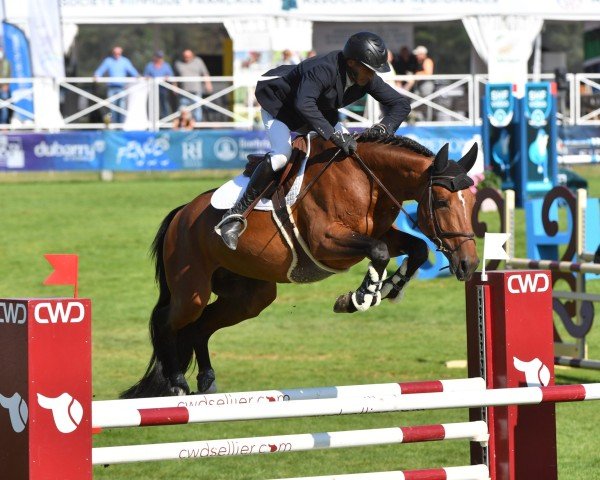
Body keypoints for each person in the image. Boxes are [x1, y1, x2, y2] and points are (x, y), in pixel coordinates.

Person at [216, 31, 411, 250]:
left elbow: (401, 105)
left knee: (354, 153)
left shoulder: (365, 77)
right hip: (282, 108)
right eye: (368, 70)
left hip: (318, 111)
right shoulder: (323, 69)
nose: (372, 76)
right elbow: (303, 105)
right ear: (351, 63)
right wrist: (334, 135)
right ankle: (234, 216)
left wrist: (384, 128)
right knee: (282, 156)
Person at [94, 46, 139, 124]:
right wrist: (96, 75)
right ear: (113, 53)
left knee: (122, 107)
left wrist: (139, 77)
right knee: (112, 108)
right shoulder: (108, 61)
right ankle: (114, 125)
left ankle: (121, 125)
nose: (117, 55)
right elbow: (100, 71)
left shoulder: (125, 61)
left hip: (122, 88)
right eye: (115, 53)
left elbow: (133, 72)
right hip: (111, 88)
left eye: (118, 53)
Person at [174, 49, 213, 122]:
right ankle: (181, 127)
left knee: (197, 110)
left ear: (192, 56)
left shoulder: (198, 61)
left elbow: (205, 73)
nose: (186, 58)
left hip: (196, 90)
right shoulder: (178, 63)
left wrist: (208, 84)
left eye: (188, 56)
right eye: (185, 56)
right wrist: (175, 86)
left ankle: (197, 126)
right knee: (181, 110)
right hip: (183, 92)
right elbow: (175, 77)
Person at [143, 50, 174, 117]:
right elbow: (146, 76)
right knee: (152, 104)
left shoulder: (166, 65)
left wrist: (167, 78)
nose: (159, 59)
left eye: (161, 57)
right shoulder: (149, 66)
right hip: (152, 89)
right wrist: (148, 78)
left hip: (163, 89)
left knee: (164, 104)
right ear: (154, 57)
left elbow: (171, 76)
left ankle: (164, 120)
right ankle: (152, 119)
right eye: (158, 57)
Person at [412, 45, 435, 120]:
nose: (416, 56)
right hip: (421, 86)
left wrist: (417, 74)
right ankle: (419, 119)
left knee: (426, 104)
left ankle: (427, 121)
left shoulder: (427, 61)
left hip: (426, 86)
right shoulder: (420, 62)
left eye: (418, 55)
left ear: (422, 54)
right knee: (416, 103)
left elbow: (428, 73)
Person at [0, 47, 11, 125]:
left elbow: (8, 74)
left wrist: (6, 84)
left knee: (4, 107)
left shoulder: (6, 62)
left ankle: (4, 124)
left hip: (4, 87)